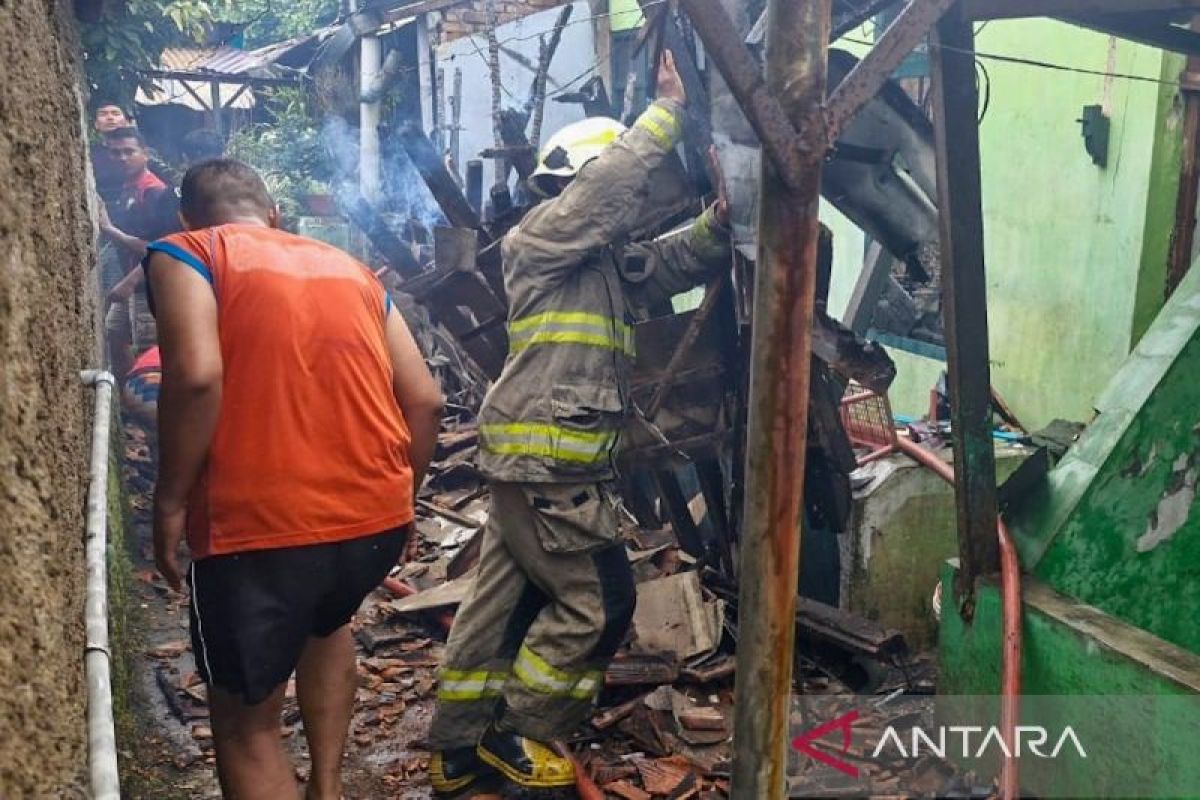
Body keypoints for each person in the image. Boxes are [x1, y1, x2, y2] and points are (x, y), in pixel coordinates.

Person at [425, 51, 731, 797]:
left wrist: (723, 220)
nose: (634, 204)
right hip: (549, 463)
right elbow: (605, 195)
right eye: (623, 191)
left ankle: (457, 751)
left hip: (530, 465)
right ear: (582, 186)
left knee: (503, 601)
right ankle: (519, 732)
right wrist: (665, 118)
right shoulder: (540, 241)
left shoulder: (597, 266)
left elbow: (670, 262)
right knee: (600, 601)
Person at [145, 158, 444, 800]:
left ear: (187, 217)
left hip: (260, 530)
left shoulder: (187, 251)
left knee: (247, 730)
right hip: (373, 524)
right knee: (326, 626)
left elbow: (196, 377)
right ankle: (328, 788)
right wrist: (403, 498)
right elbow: (425, 400)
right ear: (274, 214)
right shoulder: (353, 270)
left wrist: (169, 500)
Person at [101, 126, 178, 377]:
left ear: (145, 154)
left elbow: (160, 247)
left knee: (149, 352)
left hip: (150, 284)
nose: (123, 158)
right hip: (134, 282)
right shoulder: (129, 187)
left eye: (129, 151)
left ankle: (149, 408)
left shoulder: (154, 191)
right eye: (116, 153)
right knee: (115, 331)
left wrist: (111, 231)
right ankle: (126, 404)